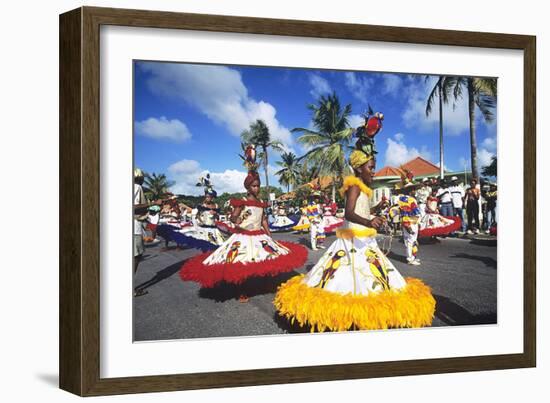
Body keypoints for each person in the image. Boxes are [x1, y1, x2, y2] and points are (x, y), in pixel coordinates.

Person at [274, 118, 435, 332]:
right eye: (370, 167)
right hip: (352, 237)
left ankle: (366, 314)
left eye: (374, 167)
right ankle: (350, 315)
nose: (373, 171)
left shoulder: (363, 188)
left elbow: (362, 211)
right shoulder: (353, 187)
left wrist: (378, 208)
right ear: (358, 169)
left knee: (372, 274)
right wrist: (369, 221)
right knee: (348, 276)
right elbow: (349, 213)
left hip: (365, 237)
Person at [179, 145, 308, 302]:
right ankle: (241, 290)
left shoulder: (261, 202)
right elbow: (233, 217)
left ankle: (267, 284)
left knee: (267, 260)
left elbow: (263, 220)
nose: (257, 188)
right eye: (254, 185)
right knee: (241, 263)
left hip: (259, 236)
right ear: (248, 187)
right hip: (244, 236)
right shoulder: (242, 201)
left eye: (258, 185)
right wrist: (236, 220)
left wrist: (268, 234)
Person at [394, 174, 422, 265]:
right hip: (410, 222)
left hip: (413, 222)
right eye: (413, 189)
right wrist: (407, 225)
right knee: (410, 241)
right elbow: (405, 213)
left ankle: (412, 257)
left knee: (413, 240)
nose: (414, 191)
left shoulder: (408, 199)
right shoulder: (406, 200)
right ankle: (410, 259)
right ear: (409, 191)